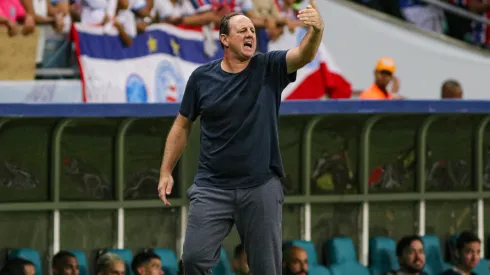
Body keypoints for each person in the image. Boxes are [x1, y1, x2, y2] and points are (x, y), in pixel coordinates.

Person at [157, 0, 324, 273]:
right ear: (224, 39)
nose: (250, 34)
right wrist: (166, 170)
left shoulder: (269, 66)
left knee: (266, 268)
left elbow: (303, 55)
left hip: (260, 186)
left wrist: (316, 31)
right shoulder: (201, 78)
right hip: (212, 187)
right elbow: (181, 124)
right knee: (193, 260)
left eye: (252, 30)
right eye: (242, 30)